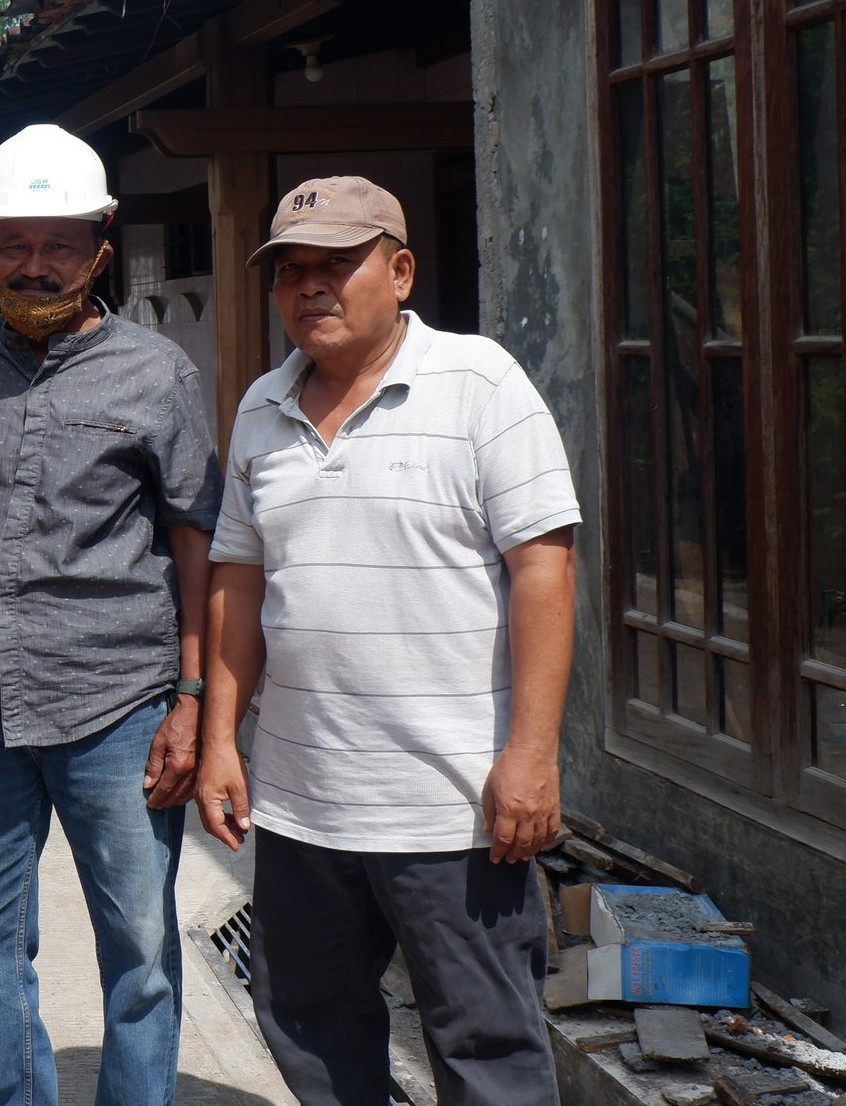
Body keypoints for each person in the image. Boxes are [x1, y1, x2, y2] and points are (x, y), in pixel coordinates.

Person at [193, 177, 579, 1106]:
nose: (310, 286)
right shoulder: (260, 406)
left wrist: (530, 755)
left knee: (486, 1042)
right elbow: (239, 582)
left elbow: (545, 571)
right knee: (307, 1018)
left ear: (401, 271)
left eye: (337, 264)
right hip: (303, 800)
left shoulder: (482, 384)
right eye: (292, 270)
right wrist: (218, 740)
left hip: (453, 806)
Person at [0, 123, 222, 1106]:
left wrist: (193, 697)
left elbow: (194, 536)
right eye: (13, 245)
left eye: (57, 245)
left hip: (115, 699)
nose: (34, 267)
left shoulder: (155, 374)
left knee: (140, 947)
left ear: (100, 250)